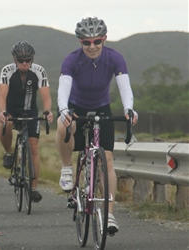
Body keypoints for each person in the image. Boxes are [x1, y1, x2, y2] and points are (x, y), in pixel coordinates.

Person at [55, 17, 138, 234]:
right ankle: (66, 168)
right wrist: (64, 111)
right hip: (75, 107)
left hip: (102, 108)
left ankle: (109, 214)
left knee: (107, 160)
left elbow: (125, 88)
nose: (92, 47)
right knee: (63, 125)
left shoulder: (114, 58)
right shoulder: (71, 60)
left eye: (97, 42)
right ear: (80, 42)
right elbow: (63, 89)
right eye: (86, 42)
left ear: (104, 39)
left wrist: (129, 109)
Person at [0, 41, 53, 202]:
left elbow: (46, 96)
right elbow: (1, 95)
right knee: (5, 123)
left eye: (28, 60)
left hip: (30, 111)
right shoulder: (7, 71)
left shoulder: (39, 71)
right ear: (14, 60)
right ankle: (8, 153)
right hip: (11, 110)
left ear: (32, 59)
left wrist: (47, 111)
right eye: (21, 61)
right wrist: (3, 112)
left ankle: (34, 187)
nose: (24, 64)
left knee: (34, 147)